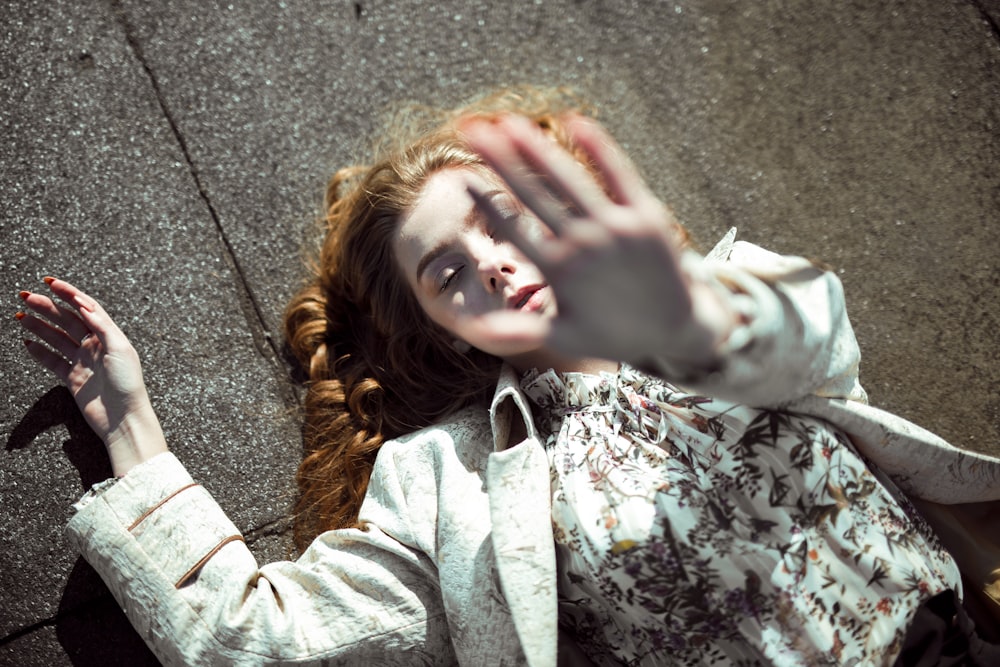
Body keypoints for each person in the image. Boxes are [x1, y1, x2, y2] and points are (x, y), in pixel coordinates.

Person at [15, 87, 1000, 666]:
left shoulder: (713, 304)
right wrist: (130, 429)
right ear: (442, 327)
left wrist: (696, 315)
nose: (487, 260)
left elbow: (812, 337)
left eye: (498, 216)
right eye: (446, 271)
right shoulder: (453, 483)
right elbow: (254, 640)